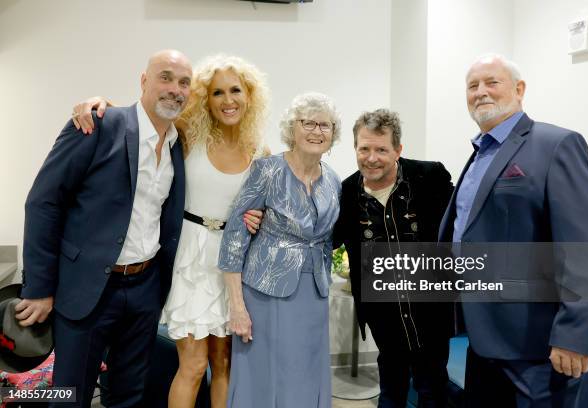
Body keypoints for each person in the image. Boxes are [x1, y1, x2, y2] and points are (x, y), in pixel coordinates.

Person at [70, 55, 270, 408]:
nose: (228, 100)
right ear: (205, 98)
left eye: (235, 90)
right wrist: (100, 105)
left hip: (233, 265)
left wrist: (260, 218)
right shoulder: (189, 134)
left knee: (223, 365)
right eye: (217, 92)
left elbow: (266, 210)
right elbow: (144, 120)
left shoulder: (260, 151)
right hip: (191, 259)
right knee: (192, 365)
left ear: (249, 95)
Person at [19, 49, 192, 407]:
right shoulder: (98, 124)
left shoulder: (179, 144)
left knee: (129, 395)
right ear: (143, 81)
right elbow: (43, 202)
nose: (175, 88)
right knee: (68, 395)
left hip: (145, 288)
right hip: (88, 287)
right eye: (165, 77)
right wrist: (38, 288)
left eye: (184, 83)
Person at [437, 54, 588, 407]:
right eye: (472, 86)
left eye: (492, 82)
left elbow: (583, 246)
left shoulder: (556, 145)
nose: (481, 92)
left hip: (539, 345)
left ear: (519, 89)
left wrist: (575, 333)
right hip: (483, 339)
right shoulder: (478, 155)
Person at [217, 92, 342, 408]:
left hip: (313, 291)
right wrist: (237, 306)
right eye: (308, 123)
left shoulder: (333, 181)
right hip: (265, 291)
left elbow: (329, 238)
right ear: (293, 129)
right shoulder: (267, 170)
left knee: (306, 370)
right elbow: (235, 237)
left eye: (324, 125)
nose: (316, 131)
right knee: (265, 374)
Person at [333, 109, 455, 408]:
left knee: (432, 388)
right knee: (391, 389)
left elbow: (461, 222)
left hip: (430, 312)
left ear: (398, 150)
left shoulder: (430, 177)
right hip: (383, 315)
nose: (371, 158)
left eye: (381, 150)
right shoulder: (346, 192)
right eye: (364, 149)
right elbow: (326, 238)